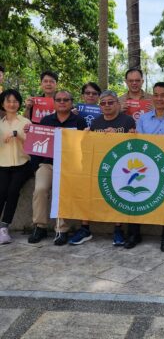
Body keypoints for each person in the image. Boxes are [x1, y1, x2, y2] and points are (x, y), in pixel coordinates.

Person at [124, 82, 164, 251]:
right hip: (146, 166)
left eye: (163, 95)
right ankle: (134, 233)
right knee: (133, 191)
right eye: (156, 95)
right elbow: (138, 144)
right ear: (152, 97)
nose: (159, 98)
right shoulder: (143, 119)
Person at [69, 90, 136, 246]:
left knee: (120, 190)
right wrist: (84, 136)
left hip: (121, 167)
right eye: (103, 103)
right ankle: (85, 228)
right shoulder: (96, 122)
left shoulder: (127, 121)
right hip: (98, 166)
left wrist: (119, 136)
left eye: (110, 102)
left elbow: (133, 145)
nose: (107, 106)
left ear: (118, 104)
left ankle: (118, 229)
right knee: (85, 188)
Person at [27, 90, 86, 246]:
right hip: (47, 164)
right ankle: (39, 227)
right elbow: (36, 144)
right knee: (40, 189)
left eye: (65, 99)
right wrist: (36, 166)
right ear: (54, 102)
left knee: (62, 192)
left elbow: (85, 146)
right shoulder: (46, 120)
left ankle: (61, 229)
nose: (62, 102)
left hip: (69, 166)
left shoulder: (79, 121)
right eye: (58, 99)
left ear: (71, 102)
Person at [0, 90, 33, 244]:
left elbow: (32, 145)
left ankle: (4, 227)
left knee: (13, 191)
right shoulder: (0, 124)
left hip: (22, 164)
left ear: (19, 103)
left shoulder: (26, 122)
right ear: (3, 104)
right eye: (8, 101)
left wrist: (16, 134)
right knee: (1, 192)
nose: (11, 104)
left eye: (15, 101)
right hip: (3, 164)